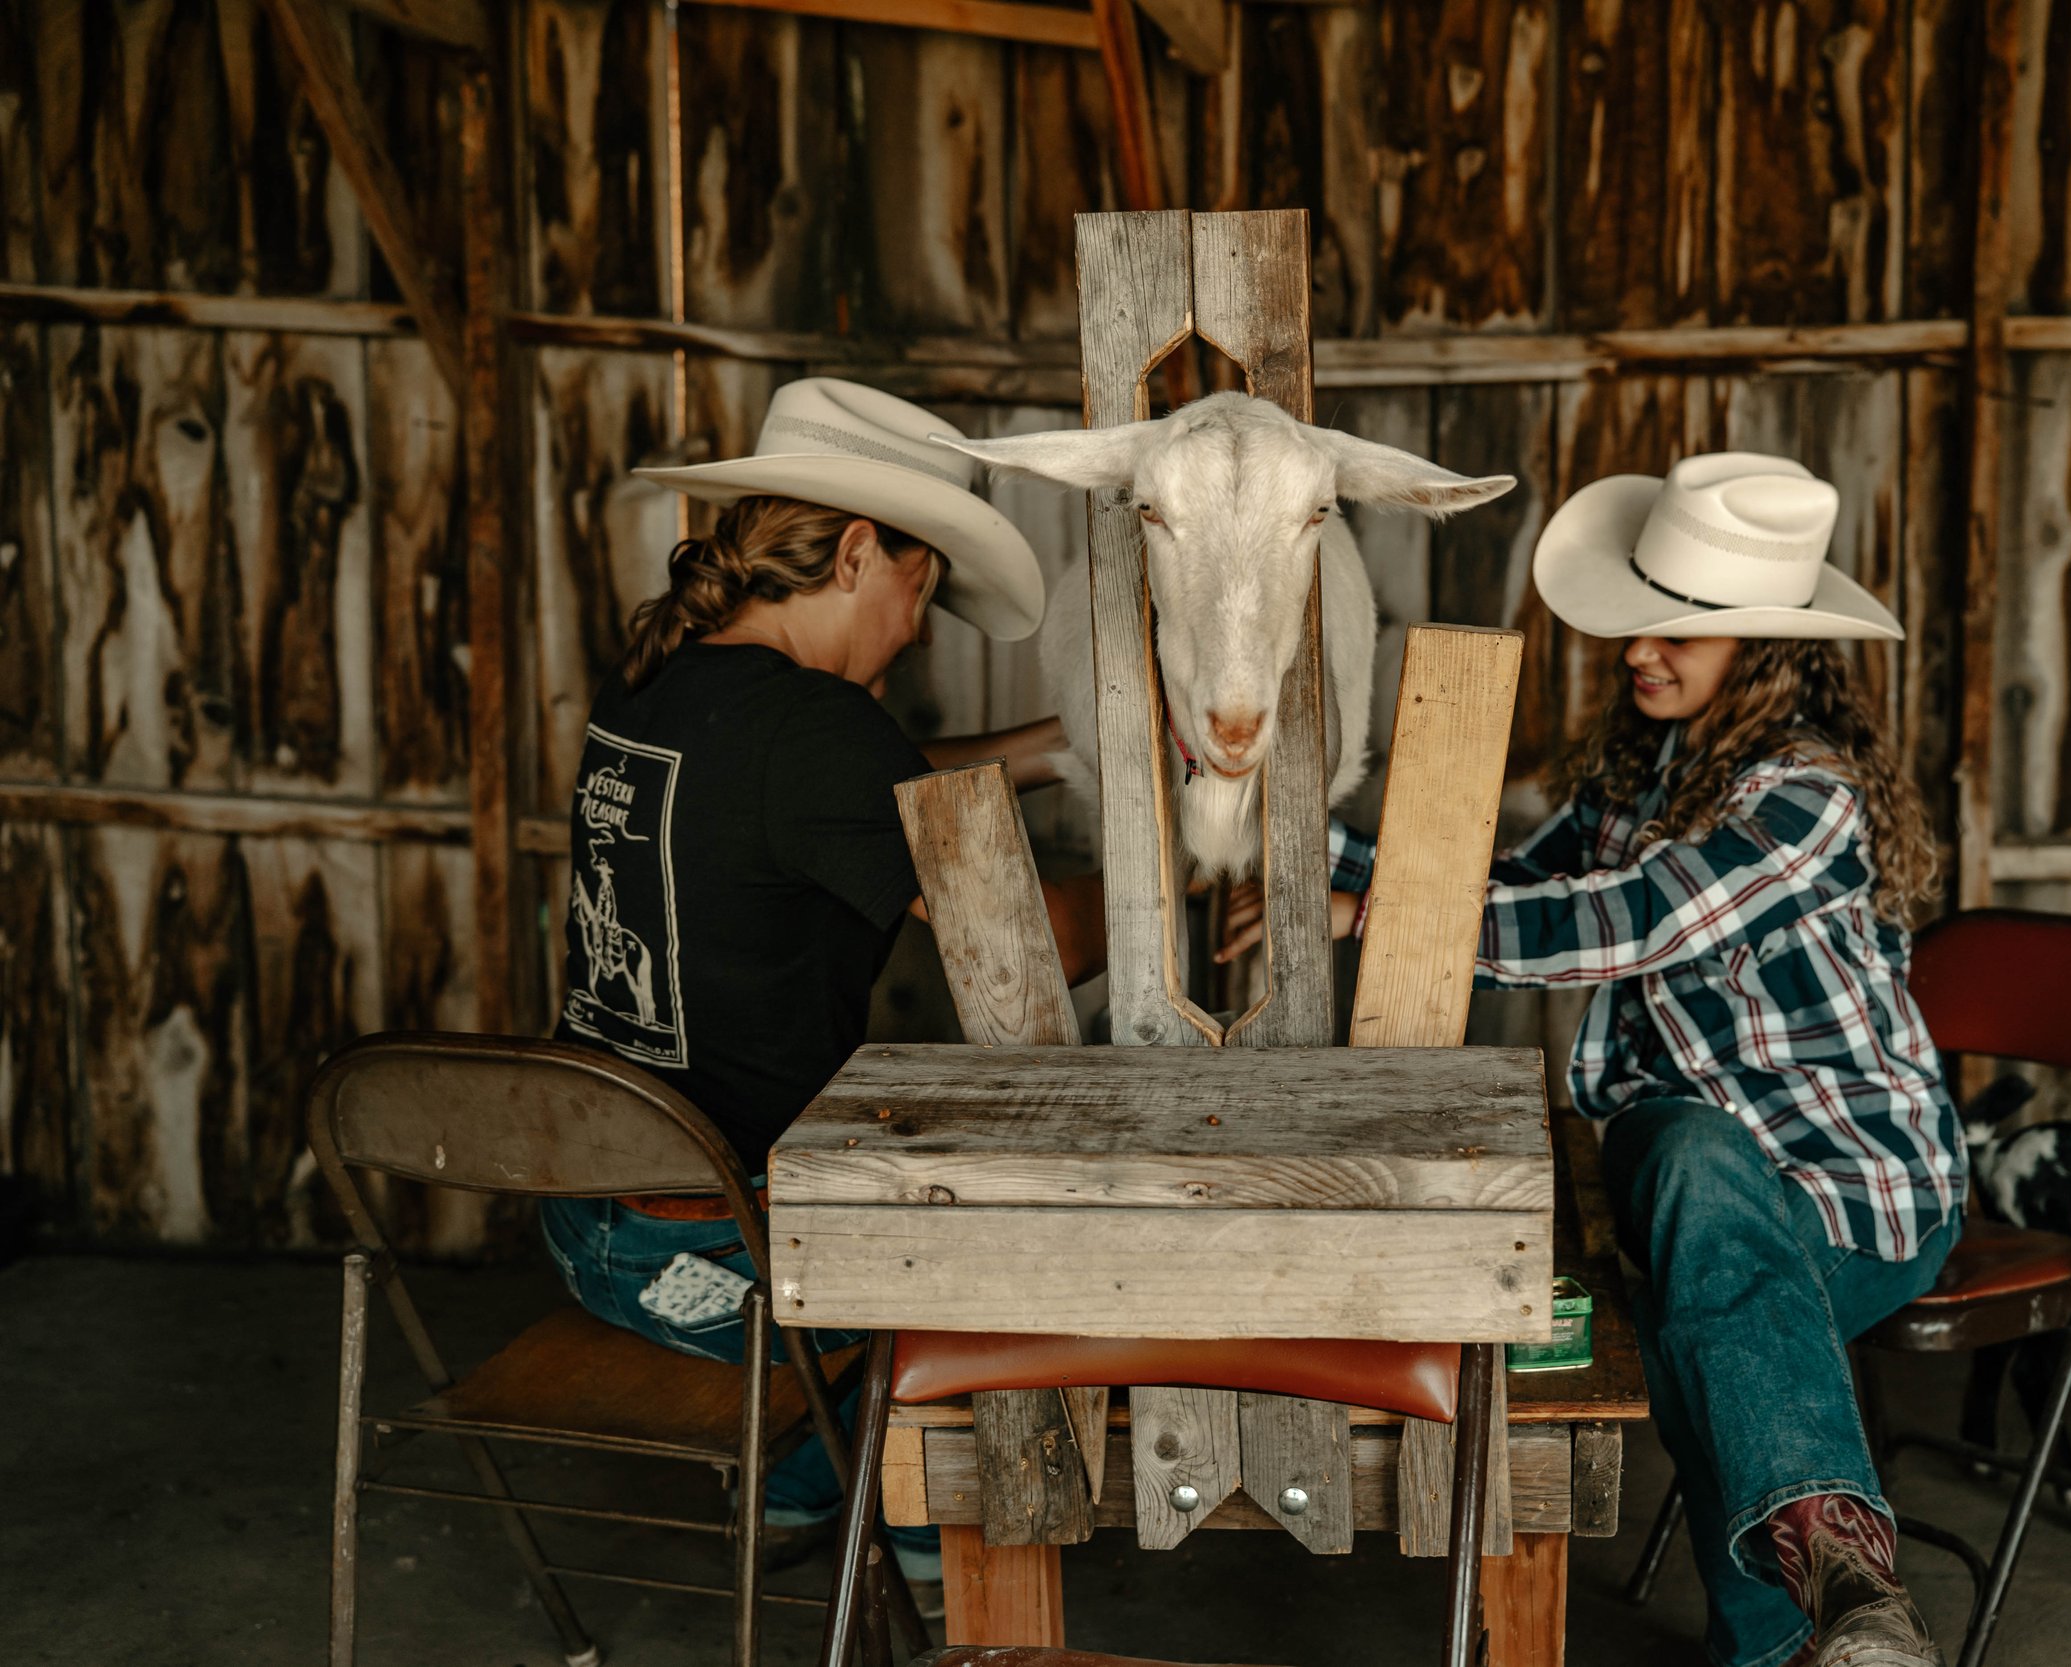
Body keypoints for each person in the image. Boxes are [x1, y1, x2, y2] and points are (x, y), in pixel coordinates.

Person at [1231, 453, 1960, 1667]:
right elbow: (1523, 885)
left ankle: (1791, 1632)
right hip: (1697, 1182)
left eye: (1679, 631)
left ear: (1770, 654)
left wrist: (1397, 920)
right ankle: (1840, 1606)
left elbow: (1624, 922)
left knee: (1686, 1221)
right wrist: (1308, 838)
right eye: (1639, 618)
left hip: (1849, 1186)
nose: (1638, 650)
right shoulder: (1643, 771)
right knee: (1688, 1218)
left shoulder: (1805, 797)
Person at [540, 378, 1104, 1587]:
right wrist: (1190, 894)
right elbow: (1039, 947)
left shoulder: (663, 675)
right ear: (857, 554)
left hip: (584, 1209)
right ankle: (940, 1575)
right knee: (1003, 1293)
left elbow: (860, 797)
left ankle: (805, 1479)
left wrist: (1059, 750)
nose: (915, 626)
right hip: (717, 1258)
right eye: (921, 587)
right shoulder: (818, 734)